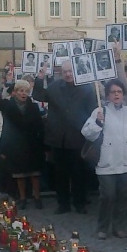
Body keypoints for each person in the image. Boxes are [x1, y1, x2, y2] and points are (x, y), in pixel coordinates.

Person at [81, 79, 127, 240]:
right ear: (108, 95)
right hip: (107, 163)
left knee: (124, 196)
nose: (116, 95)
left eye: (119, 92)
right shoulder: (100, 111)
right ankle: (103, 226)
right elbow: (87, 133)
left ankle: (119, 226)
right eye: (113, 92)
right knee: (108, 195)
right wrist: (98, 122)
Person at [34, 60, 97, 214]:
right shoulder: (54, 87)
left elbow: (93, 111)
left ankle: (80, 203)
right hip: (58, 138)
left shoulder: (87, 88)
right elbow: (38, 95)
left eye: (71, 71)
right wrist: (39, 79)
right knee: (60, 174)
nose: (68, 74)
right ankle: (63, 204)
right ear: (61, 73)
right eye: (65, 71)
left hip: (78, 138)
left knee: (78, 174)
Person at [0, 80, 45, 209]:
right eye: (21, 91)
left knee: (34, 174)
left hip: (33, 145)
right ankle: (23, 197)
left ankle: (37, 197)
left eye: (26, 91)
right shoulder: (9, 106)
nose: (23, 93)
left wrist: (43, 145)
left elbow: (40, 127)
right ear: (15, 92)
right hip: (16, 145)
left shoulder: (34, 107)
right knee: (19, 175)